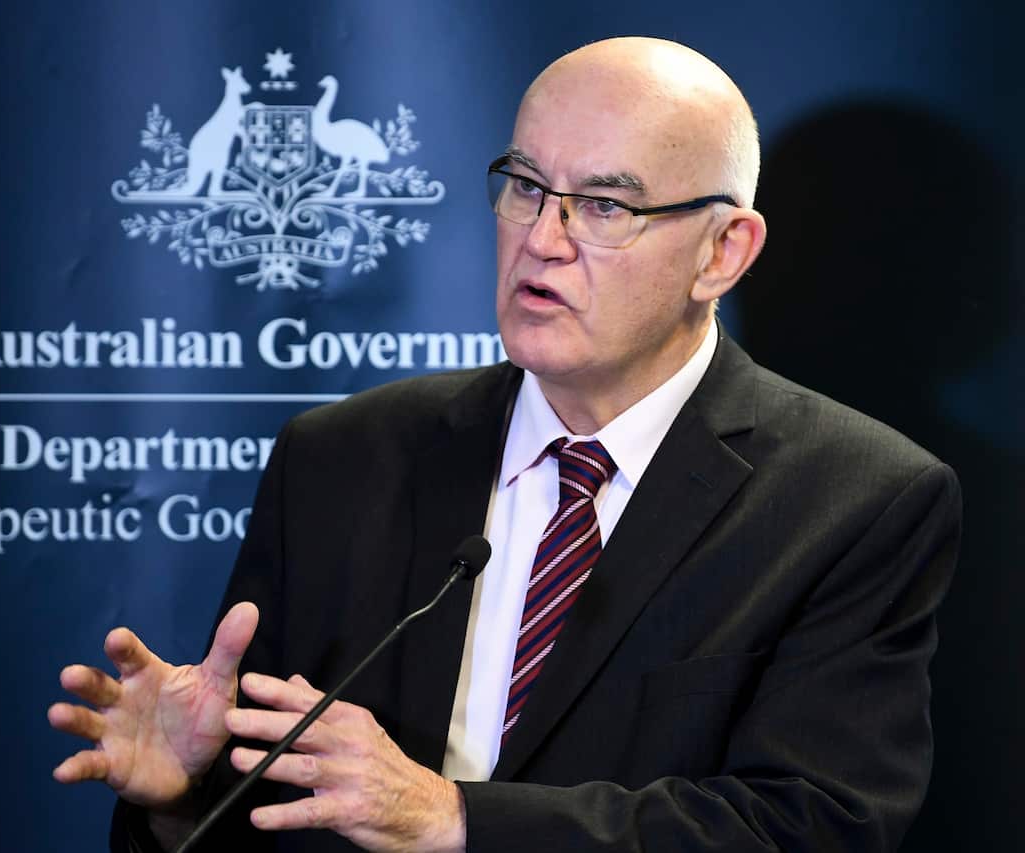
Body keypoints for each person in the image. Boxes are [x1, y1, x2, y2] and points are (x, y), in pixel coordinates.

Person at [48, 37, 961, 852]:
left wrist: (453, 818)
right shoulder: (339, 457)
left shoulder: (857, 499)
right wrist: (183, 799)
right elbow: (276, 815)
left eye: (604, 205)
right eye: (526, 187)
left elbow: (810, 825)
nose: (542, 239)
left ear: (723, 252)